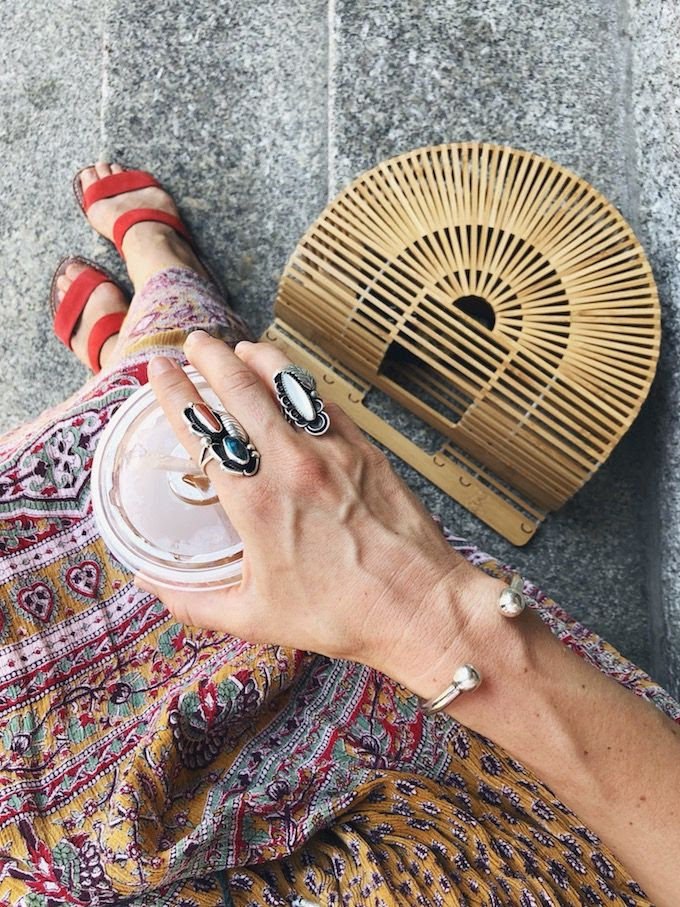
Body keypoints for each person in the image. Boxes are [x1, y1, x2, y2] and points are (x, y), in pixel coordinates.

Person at [0, 162, 677, 907]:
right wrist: (431, 612)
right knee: (219, 459)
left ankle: (141, 359)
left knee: (100, 484)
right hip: (557, 796)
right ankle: (157, 333)